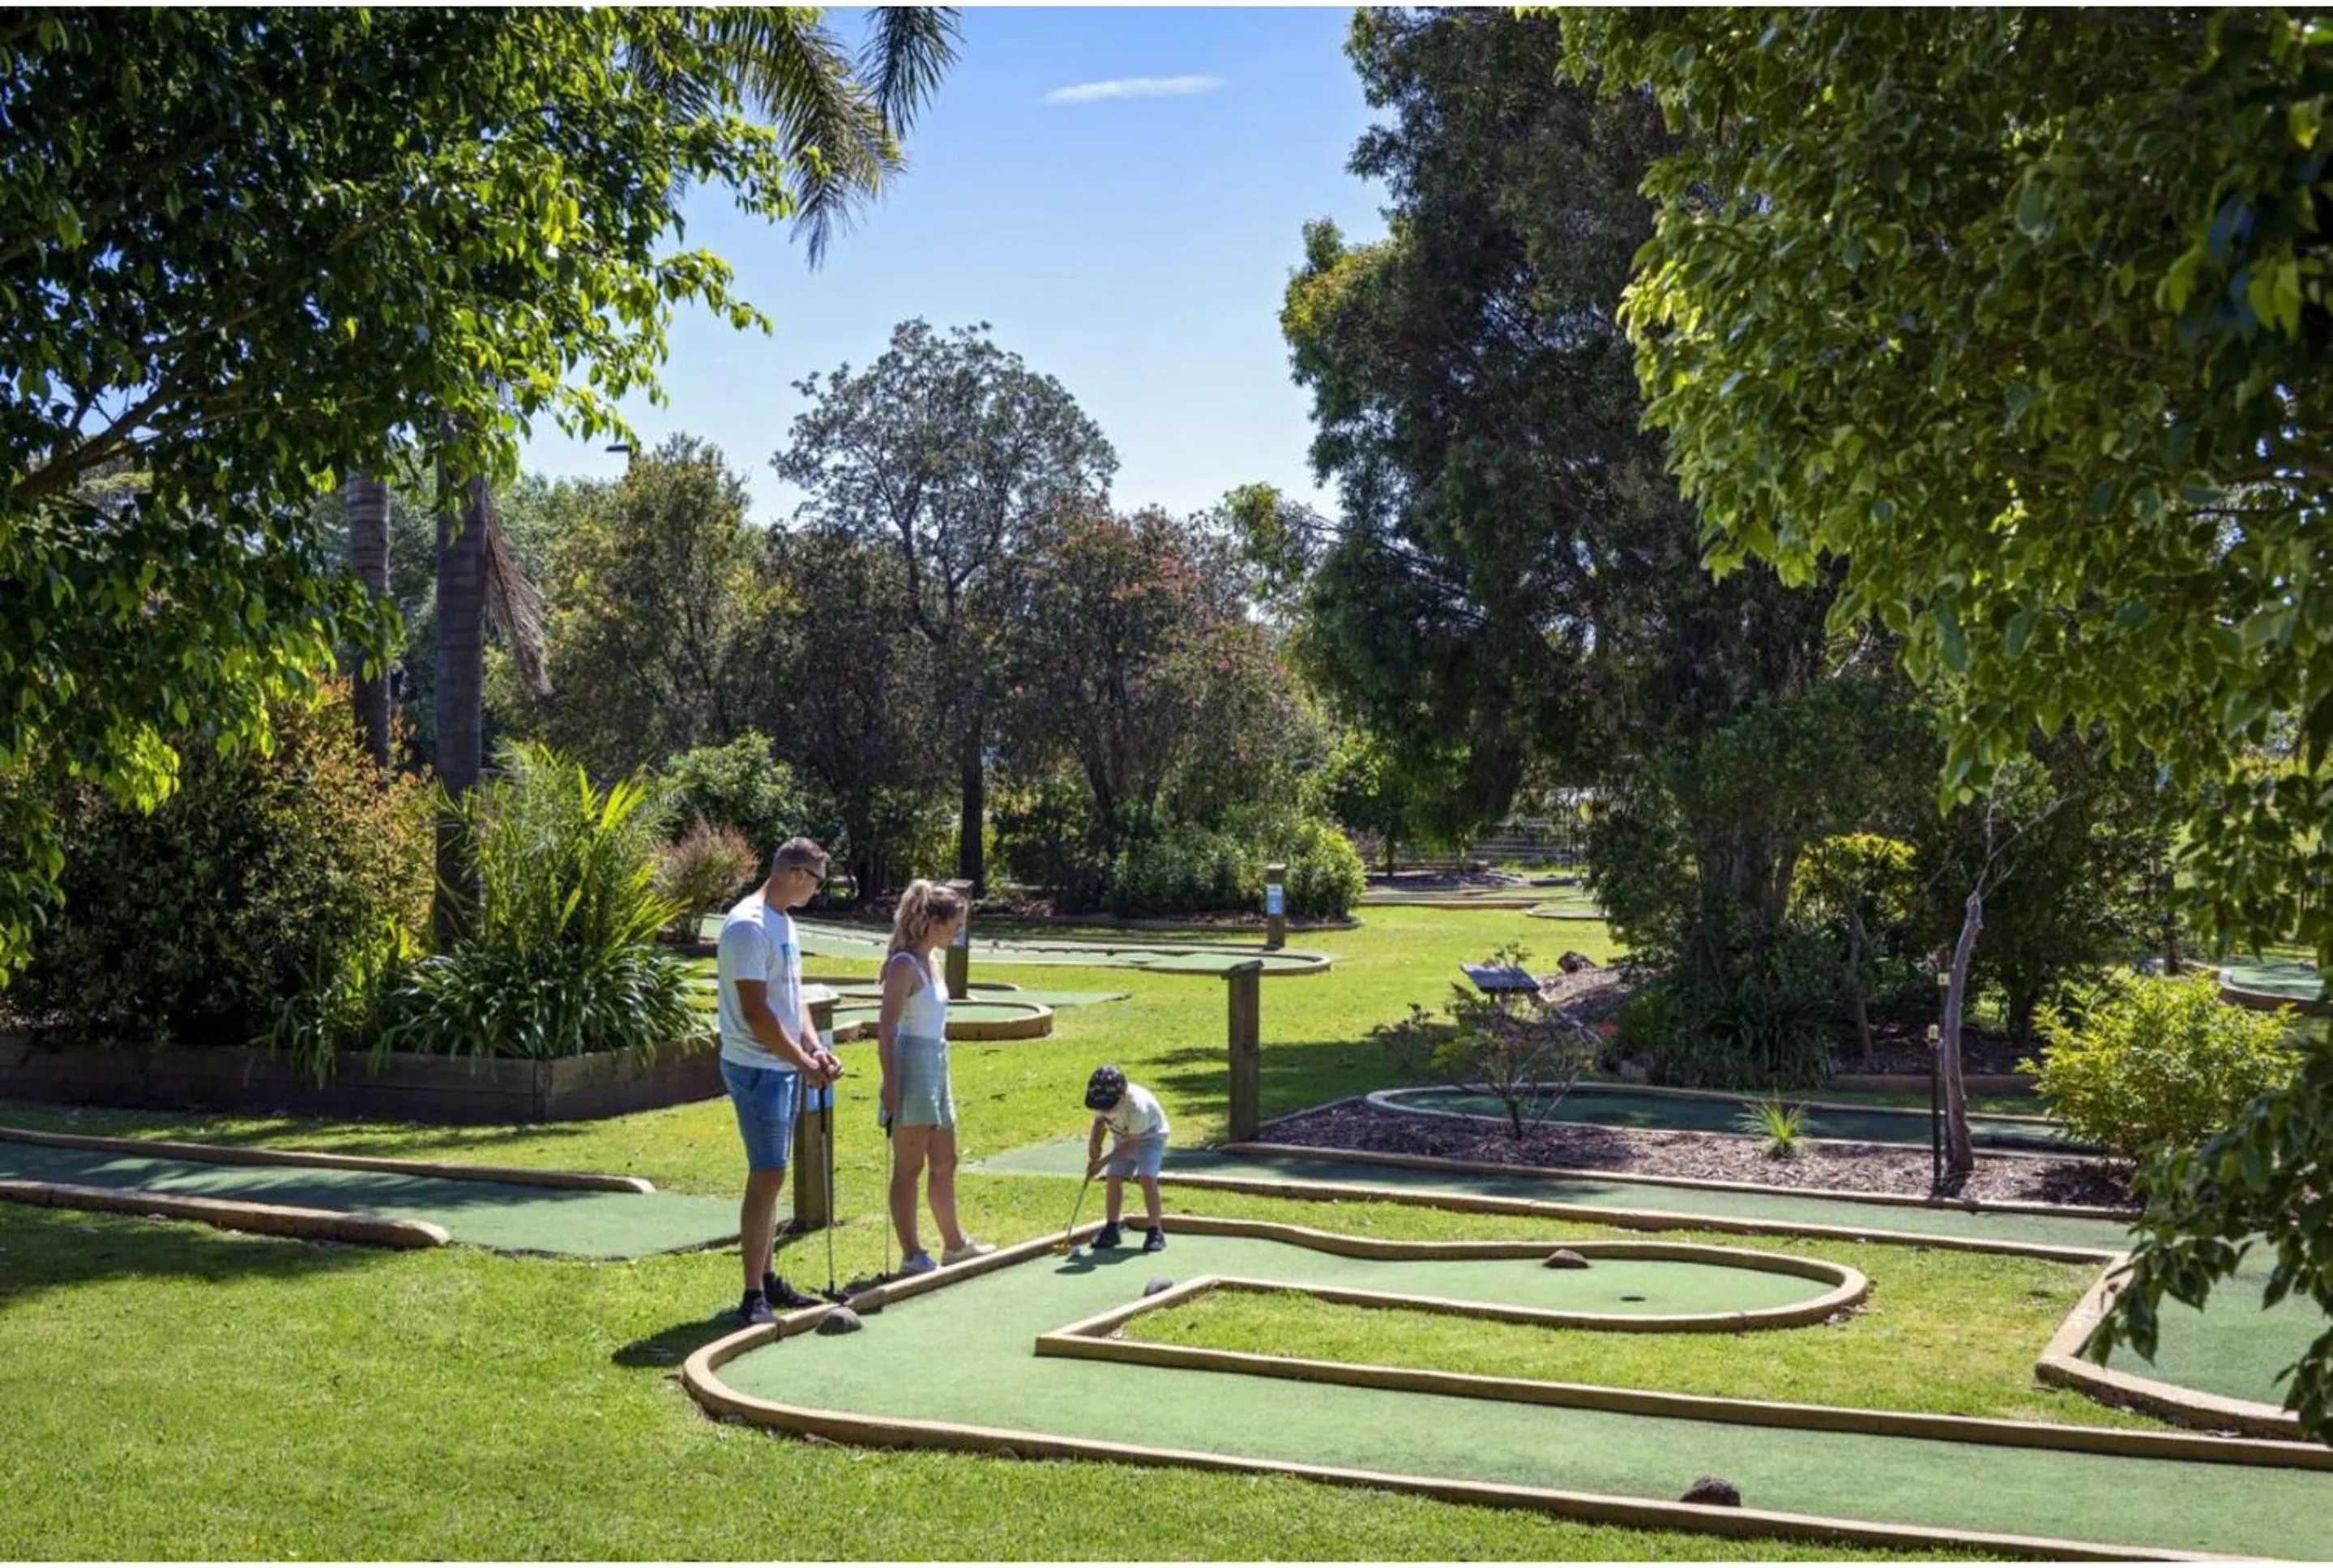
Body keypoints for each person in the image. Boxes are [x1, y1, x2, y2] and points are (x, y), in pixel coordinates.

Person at [716, 836, 844, 1327]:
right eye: (816, 881)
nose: (817, 890)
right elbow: (756, 1013)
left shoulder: (783, 920)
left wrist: (813, 1048)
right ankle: (753, 1295)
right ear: (796, 874)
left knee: (774, 1174)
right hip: (758, 1067)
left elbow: (793, 997)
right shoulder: (747, 927)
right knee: (767, 1173)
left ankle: (767, 1278)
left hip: (783, 1064)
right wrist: (801, 1062)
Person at [877, 879, 994, 1275]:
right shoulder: (903, 965)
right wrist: (890, 1083)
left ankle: (955, 1246)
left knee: (945, 1160)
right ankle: (912, 1254)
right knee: (909, 1168)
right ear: (932, 922)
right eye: (954, 925)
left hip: (937, 1063)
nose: (957, 933)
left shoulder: (933, 963)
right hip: (911, 1065)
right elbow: (887, 1029)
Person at [1082, 1063, 1169, 1253]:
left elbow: (1133, 1145)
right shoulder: (1102, 1099)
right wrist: (1094, 1146)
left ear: (1121, 1096)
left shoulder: (1137, 1107)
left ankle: (1155, 1231)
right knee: (1113, 1178)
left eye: (1108, 1108)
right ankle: (1112, 1228)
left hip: (1149, 1138)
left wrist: (1102, 1163)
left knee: (1147, 1179)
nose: (1105, 1111)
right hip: (1123, 1136)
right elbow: (1099, 1122)